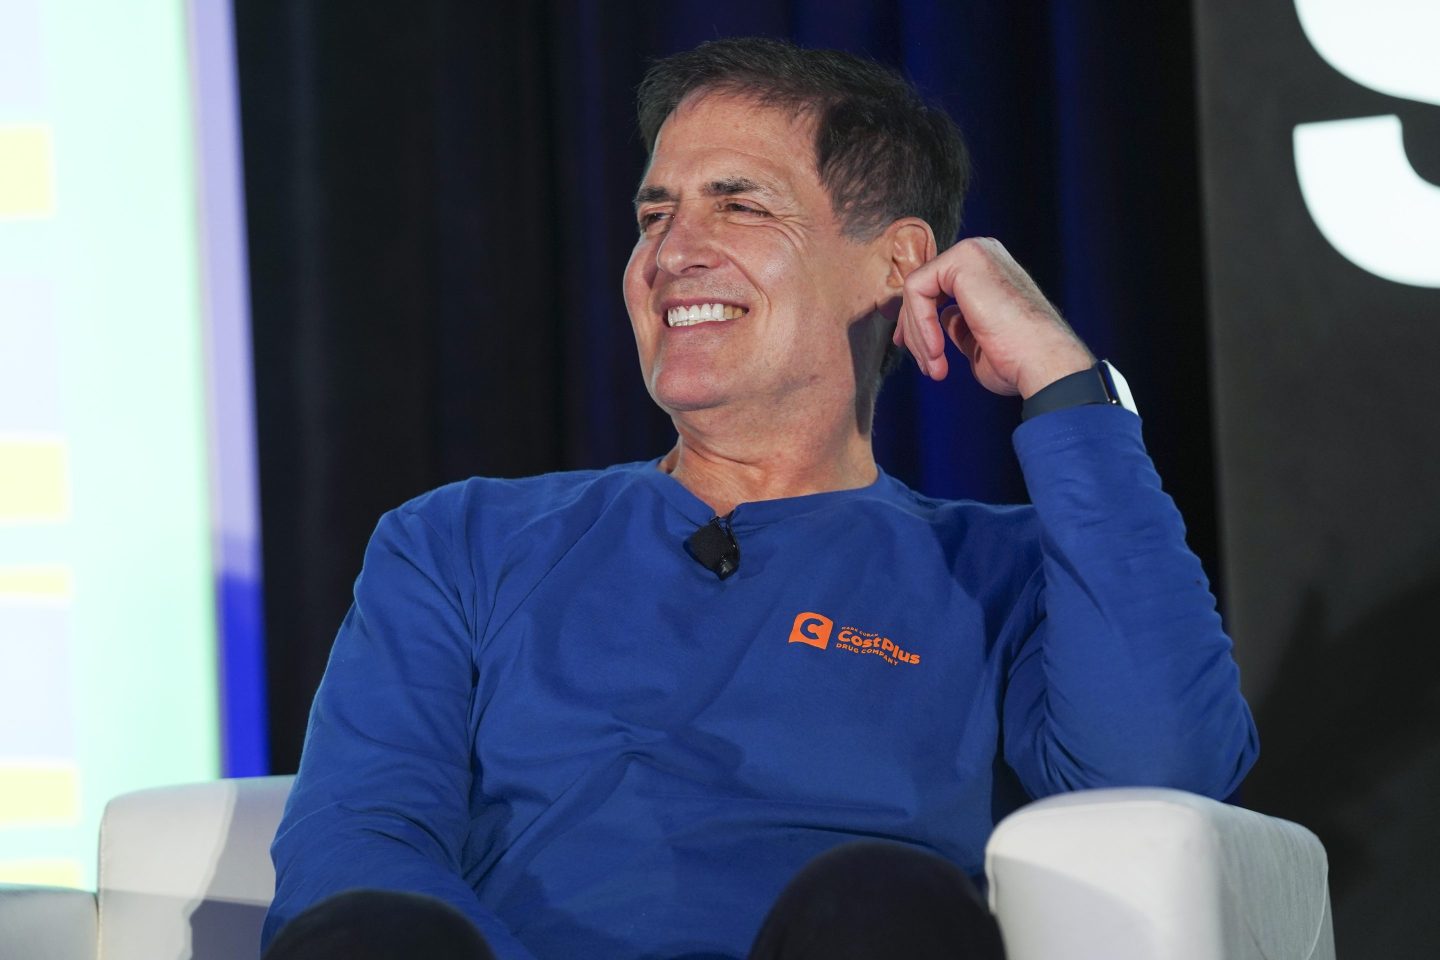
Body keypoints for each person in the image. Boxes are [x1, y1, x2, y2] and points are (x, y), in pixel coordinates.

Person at [260, 37, 1257, 960]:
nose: (670, 253)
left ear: (898, 262)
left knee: (880, 905)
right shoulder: (461, 541)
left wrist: (1065, 384)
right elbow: (358, 838)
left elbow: (1163, 778)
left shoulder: (1009, 574)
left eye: (738, 205)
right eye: (654, 214)